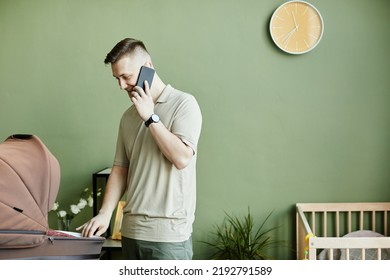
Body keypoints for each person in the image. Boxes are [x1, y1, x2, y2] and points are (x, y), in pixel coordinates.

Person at [77, 38, 202, 260]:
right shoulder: (127, 116)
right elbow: (120, 169)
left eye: (126, 77)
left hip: (168, 238)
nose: (122, 86)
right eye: (117, 78)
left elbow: (182, 158)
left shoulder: (184, 103)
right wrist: (105, 215)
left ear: (148, 67)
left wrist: (150, 117)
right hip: (131, 232)